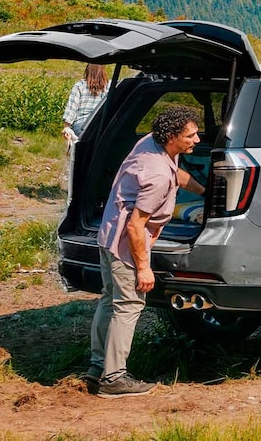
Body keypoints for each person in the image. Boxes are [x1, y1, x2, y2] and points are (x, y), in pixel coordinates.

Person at [86, 107, 200, 398]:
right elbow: (137, 228)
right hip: (126, 242)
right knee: (129, 306)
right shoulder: (157, 175)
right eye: (191, 135)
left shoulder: (151, 142)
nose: (197, 139)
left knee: (110, 301)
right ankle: (114, 379)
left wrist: (205, 191)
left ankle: (98, 368)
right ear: (173, 136)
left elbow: (177, 173)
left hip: (107, 234)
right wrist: (144, 268)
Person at [62, 63, 109, 144]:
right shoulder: (109, 86)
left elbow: (71, 110)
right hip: (102, 126)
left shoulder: (80, 85)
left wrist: (66, 128)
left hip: (81, 126)